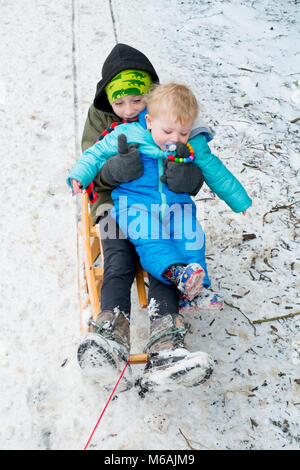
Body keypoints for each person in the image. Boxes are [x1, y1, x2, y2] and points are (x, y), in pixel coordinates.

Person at [68, 82, 252, 393]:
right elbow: (95, 155)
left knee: (186, 239)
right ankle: (110, 332)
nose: (130, 109)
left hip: (167, 211)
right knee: (119, 264)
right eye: (121, 102)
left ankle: (167, 342)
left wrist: (195, 181)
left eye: (138, 100)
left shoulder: (175, 121)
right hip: (112, 210)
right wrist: (96, 173)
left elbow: (208, 170)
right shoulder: (104, 120)